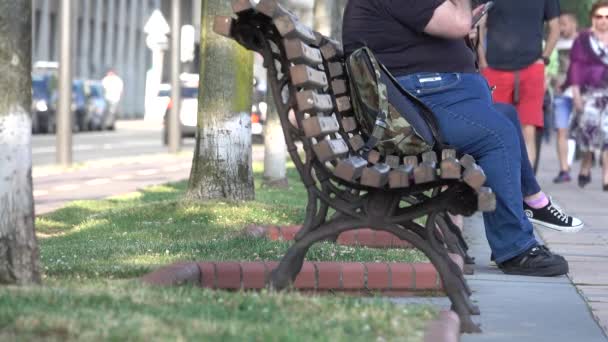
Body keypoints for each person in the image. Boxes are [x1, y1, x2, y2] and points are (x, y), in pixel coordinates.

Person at [343, 0, 583, 277]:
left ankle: (532, 200)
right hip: (408, 109)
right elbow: (458, 23)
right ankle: (515, 249)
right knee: (497, 135)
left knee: (505, 115)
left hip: (419, 97)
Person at [477, 0, 561, 170]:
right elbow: (480, 23)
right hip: (494, 68)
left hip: (531, 67)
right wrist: (482, 61)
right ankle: (499, 183)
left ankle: (526, 190)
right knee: (494, 129)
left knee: (528, 129)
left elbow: (555, 28)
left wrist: (543, 59)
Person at [564, 0, 608, 191]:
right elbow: (576, 66)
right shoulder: (583, 39)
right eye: (599, 16)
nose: (603, 21)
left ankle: (607, 175)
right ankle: (586, 164)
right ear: (593, 18)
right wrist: (575, 92)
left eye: (607, 17)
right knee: (589, 137)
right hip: (589, 94)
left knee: (607, 136)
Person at [550, 12, 580, 183]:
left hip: (582, 93)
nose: (562, 27)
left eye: (565, 23)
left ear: (574, 24)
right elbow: (550, 67)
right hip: (561, 93)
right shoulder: (554, 43)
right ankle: (564, 169)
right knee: (561, 130)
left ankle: (586, 167)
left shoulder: (584, 42)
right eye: (559, 24)